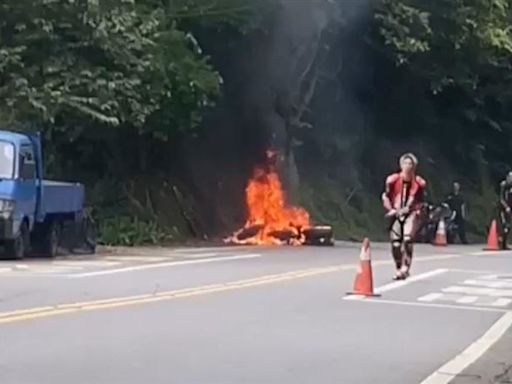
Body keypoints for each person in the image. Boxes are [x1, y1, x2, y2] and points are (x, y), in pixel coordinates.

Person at [382, 153, 427, 280]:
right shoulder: (392, 180)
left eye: (410, 164)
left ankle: (406, 267)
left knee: (407, 239)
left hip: (411, 212)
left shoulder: (419, 183)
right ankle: (399, 267)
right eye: (405, 163)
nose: (408, 166)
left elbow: (421, 201)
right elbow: (385, 196)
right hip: (396, 212)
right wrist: (390, 209)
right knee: (395, 243)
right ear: (401, 165)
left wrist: (418, 211)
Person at [498, 172, 512, 250]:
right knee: (504, 225)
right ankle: (501, 242)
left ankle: (504, 243)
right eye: (510, 177)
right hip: (502, 209)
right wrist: (506, 207)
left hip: (509, 209)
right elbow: (501, 198)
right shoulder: (503, 185)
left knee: (508, 226)